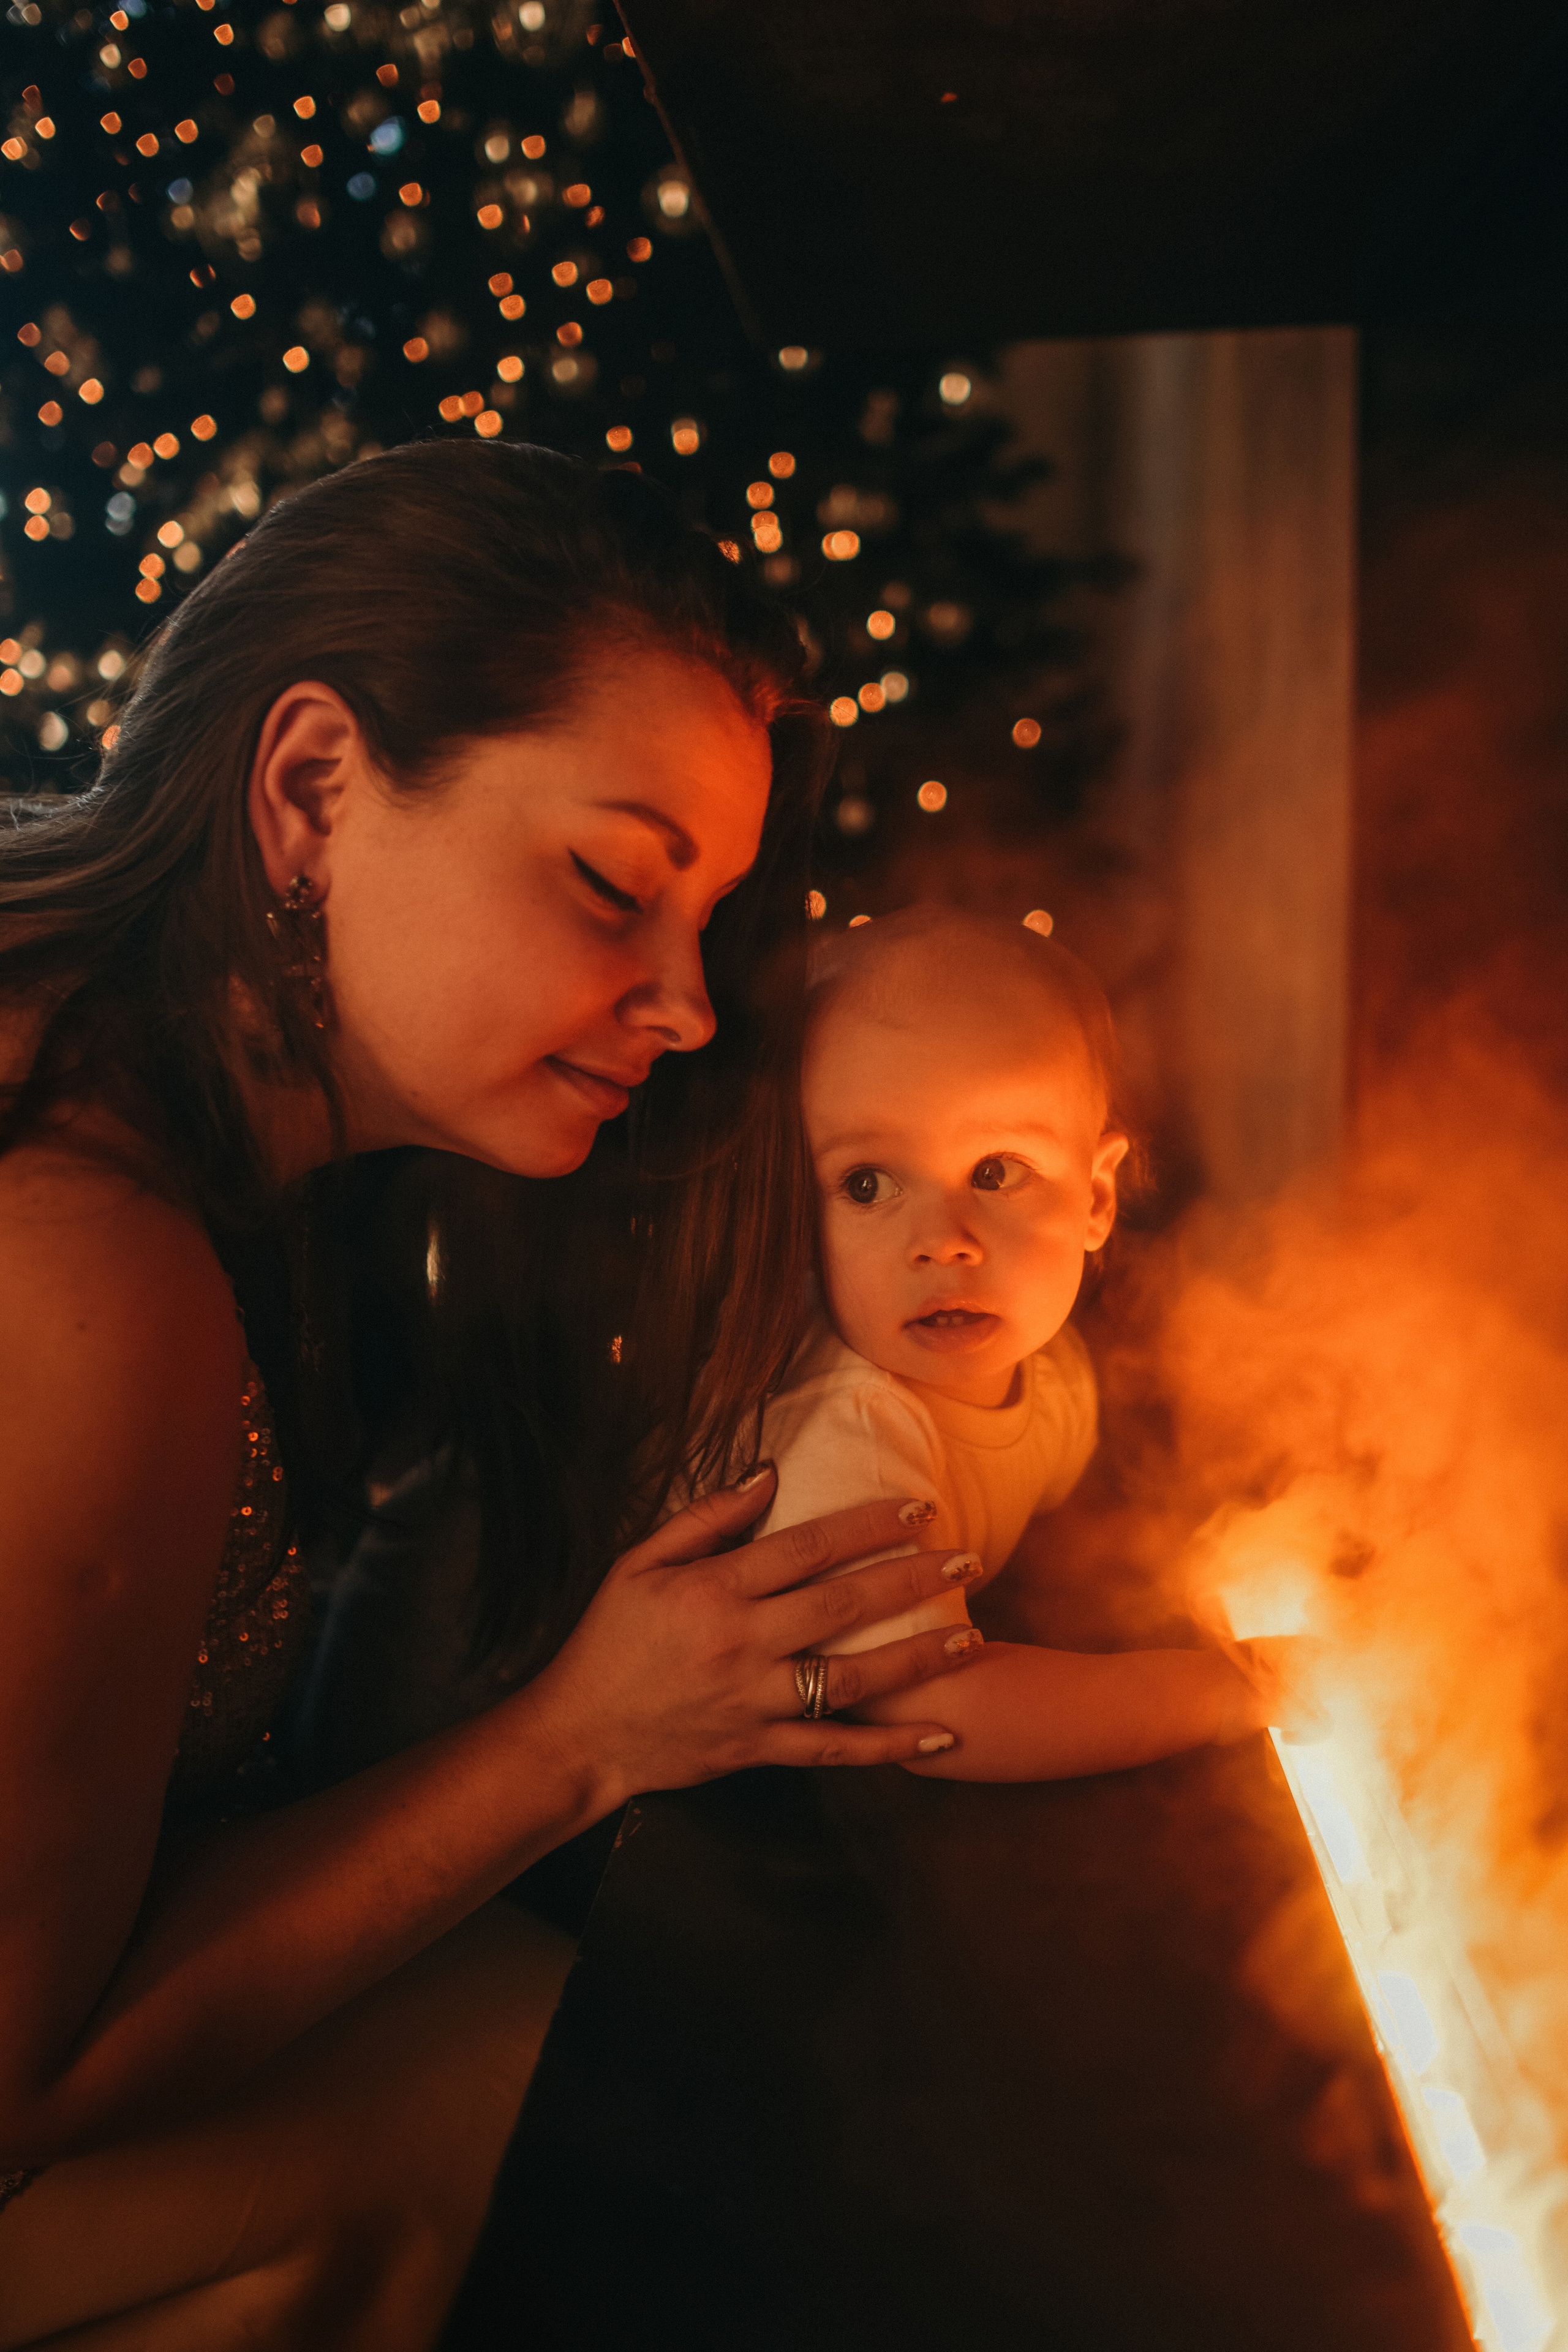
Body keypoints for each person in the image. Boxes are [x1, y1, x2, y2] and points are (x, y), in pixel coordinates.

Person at [0, 443, 983, 2350]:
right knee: (588, 2119)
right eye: (616, 884)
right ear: (312, 791)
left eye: (708, 920)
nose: (691, 1002)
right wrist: (585, 1737)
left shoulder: (132, 1056)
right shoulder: (87, 1261)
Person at [751, 905, 1321, 1778]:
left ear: (1096, 1199)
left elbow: (1096, 1523)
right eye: (866, 1184)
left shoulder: (1053, 1378)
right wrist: (1227, 1690)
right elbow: (937, 1718)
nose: (942, 1240)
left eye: (995, 1172)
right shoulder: (849, 1437)